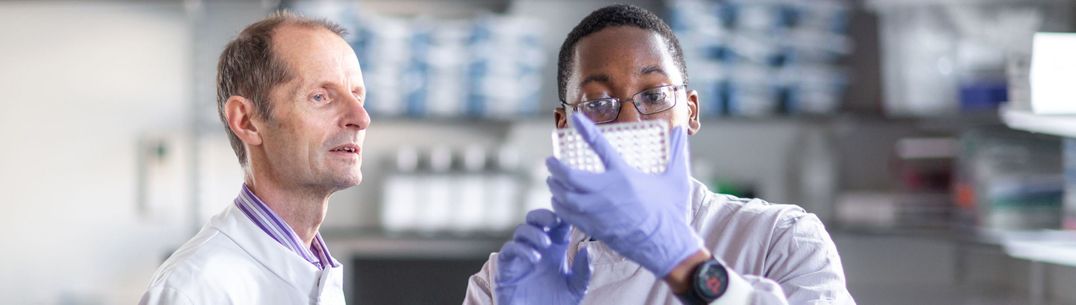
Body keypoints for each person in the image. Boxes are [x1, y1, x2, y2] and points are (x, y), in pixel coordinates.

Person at [464, 5, 855, 305]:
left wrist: (687, 265)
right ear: (564, 126)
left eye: (653, 96)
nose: (631, 120)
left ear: (691, 112)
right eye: (598, 102)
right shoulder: (508, 278)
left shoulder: (779, 239)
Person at [139, 11, 370, 305]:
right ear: (247, 121)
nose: (360, 118)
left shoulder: (315, 271)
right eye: (320, 97)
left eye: (358, 96)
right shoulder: (194, 290)